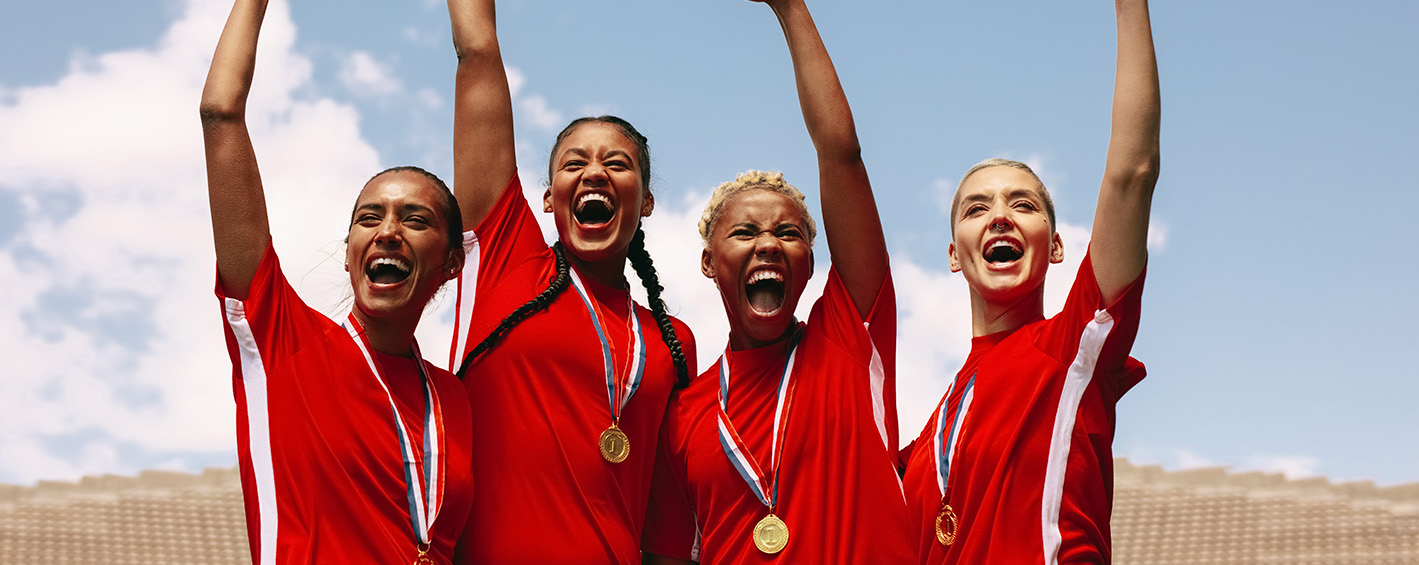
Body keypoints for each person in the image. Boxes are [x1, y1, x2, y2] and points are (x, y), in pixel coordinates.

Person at [200, 1, 474, 563]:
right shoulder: (285, 342)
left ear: (450, 264)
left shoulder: (455, 399)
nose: (388, 231)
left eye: (415, 219)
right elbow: (219, 113)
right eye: (369, 218)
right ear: (350, 255)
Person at [641, 1, 912, 562]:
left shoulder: (847, 338)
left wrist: (789, 9)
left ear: (811, 264)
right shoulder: (685, 414)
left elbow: (842, 154)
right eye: (744, 232)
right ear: (709, 262)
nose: (768, 243)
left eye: (788, 233)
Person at [900, 1, 1161, 563]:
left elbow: (1132, 174)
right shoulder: (929, 438)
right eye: (976, 208)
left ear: (1057, 246)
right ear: (953, 254)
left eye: (1022, 204)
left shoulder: (1071, 349)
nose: (1000, 216)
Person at [443, 0, 695, 562]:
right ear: (548, 197)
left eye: (618, 163)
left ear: (647, 201)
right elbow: (477, 55)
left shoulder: (673, 343)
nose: (595, 172)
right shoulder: (506, 259)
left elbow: (667, 532)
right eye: (574, 162)